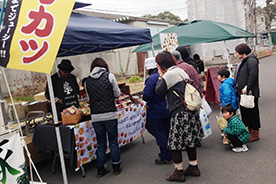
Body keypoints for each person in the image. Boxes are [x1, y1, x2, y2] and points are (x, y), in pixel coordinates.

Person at [155, 51, 204, 182]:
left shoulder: (170, 74)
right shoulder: (180, 70)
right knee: (190, 141)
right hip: (189, 109)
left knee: (174, 143)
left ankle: (178, 171)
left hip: (180, 112)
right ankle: (193, 167)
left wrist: (160, 76)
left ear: (161, 64)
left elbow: (159, 91)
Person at [84, 58, 122, 177]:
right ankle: (116, 167)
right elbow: (117, 94)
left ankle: (100, 169)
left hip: (96, 116)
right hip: (110, 114)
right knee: (113, 142)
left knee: (100, 143)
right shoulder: (109, 76)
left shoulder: (87, 81)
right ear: (104, 66)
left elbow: (89, 98)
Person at [142, 57, 172, 165]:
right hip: (168, 107)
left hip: (156, 110)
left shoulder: (151, 79)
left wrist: (143, 95)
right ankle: (170, 153)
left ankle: (165, 156)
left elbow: (147, 96)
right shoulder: (165, 75)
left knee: (160, 134)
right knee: (168, 132)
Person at [234, 43, 260, 142]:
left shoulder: (251, 60)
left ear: (242, 52)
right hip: (244, 92)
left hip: (249, 92)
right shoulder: (246, 60)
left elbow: (253, 75)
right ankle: (250, 132)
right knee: (246, 112)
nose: (236, 54)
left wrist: (247, 87)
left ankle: (255, 133)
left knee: (252, 112)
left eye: (237, 52)